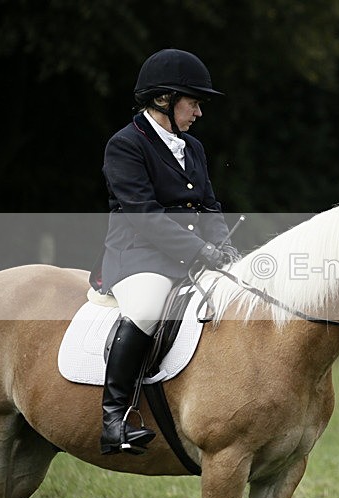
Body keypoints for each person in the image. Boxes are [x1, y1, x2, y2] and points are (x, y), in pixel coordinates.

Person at [91, 49, 238, 455]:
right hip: (139, 256)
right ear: (164, 99)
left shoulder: (191, 147)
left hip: (190, 254)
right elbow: (144, 216)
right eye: (193, 102)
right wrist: (200, 251)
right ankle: (114, 419)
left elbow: (209, 206)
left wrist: (224, 248)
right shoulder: (125, 145)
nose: (198, 113)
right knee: (147, 308)